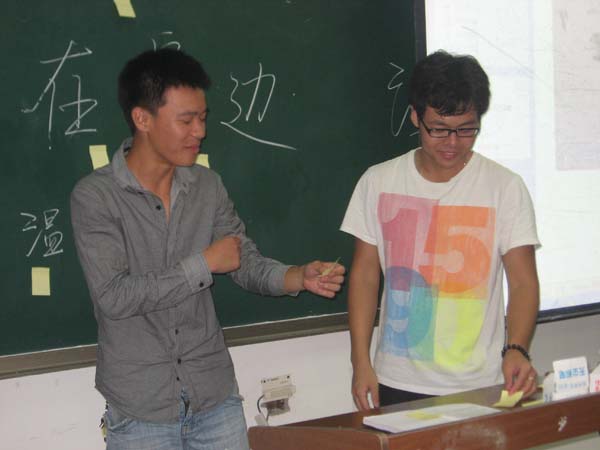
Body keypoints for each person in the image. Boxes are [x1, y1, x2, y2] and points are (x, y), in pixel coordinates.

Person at [70, 48, 345, 450]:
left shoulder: (207, 185)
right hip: (140, 407)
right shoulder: (95, 197)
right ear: (142, 119)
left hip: (214, 397)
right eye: (186, 120)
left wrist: (296, 277)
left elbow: (242, 260)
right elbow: (114, 296)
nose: (199, 131)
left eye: (202, 118)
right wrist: (202, 264)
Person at [340, 50, 540, 410]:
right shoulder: (378, 182)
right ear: (415, 116)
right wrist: (360, 361)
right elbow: (365, 275)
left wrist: (517, 348)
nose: (452, 142)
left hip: (480, 381)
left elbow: (523, 281)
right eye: (439, 129)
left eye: (466, 129)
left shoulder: (504, 187)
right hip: (396, 379)